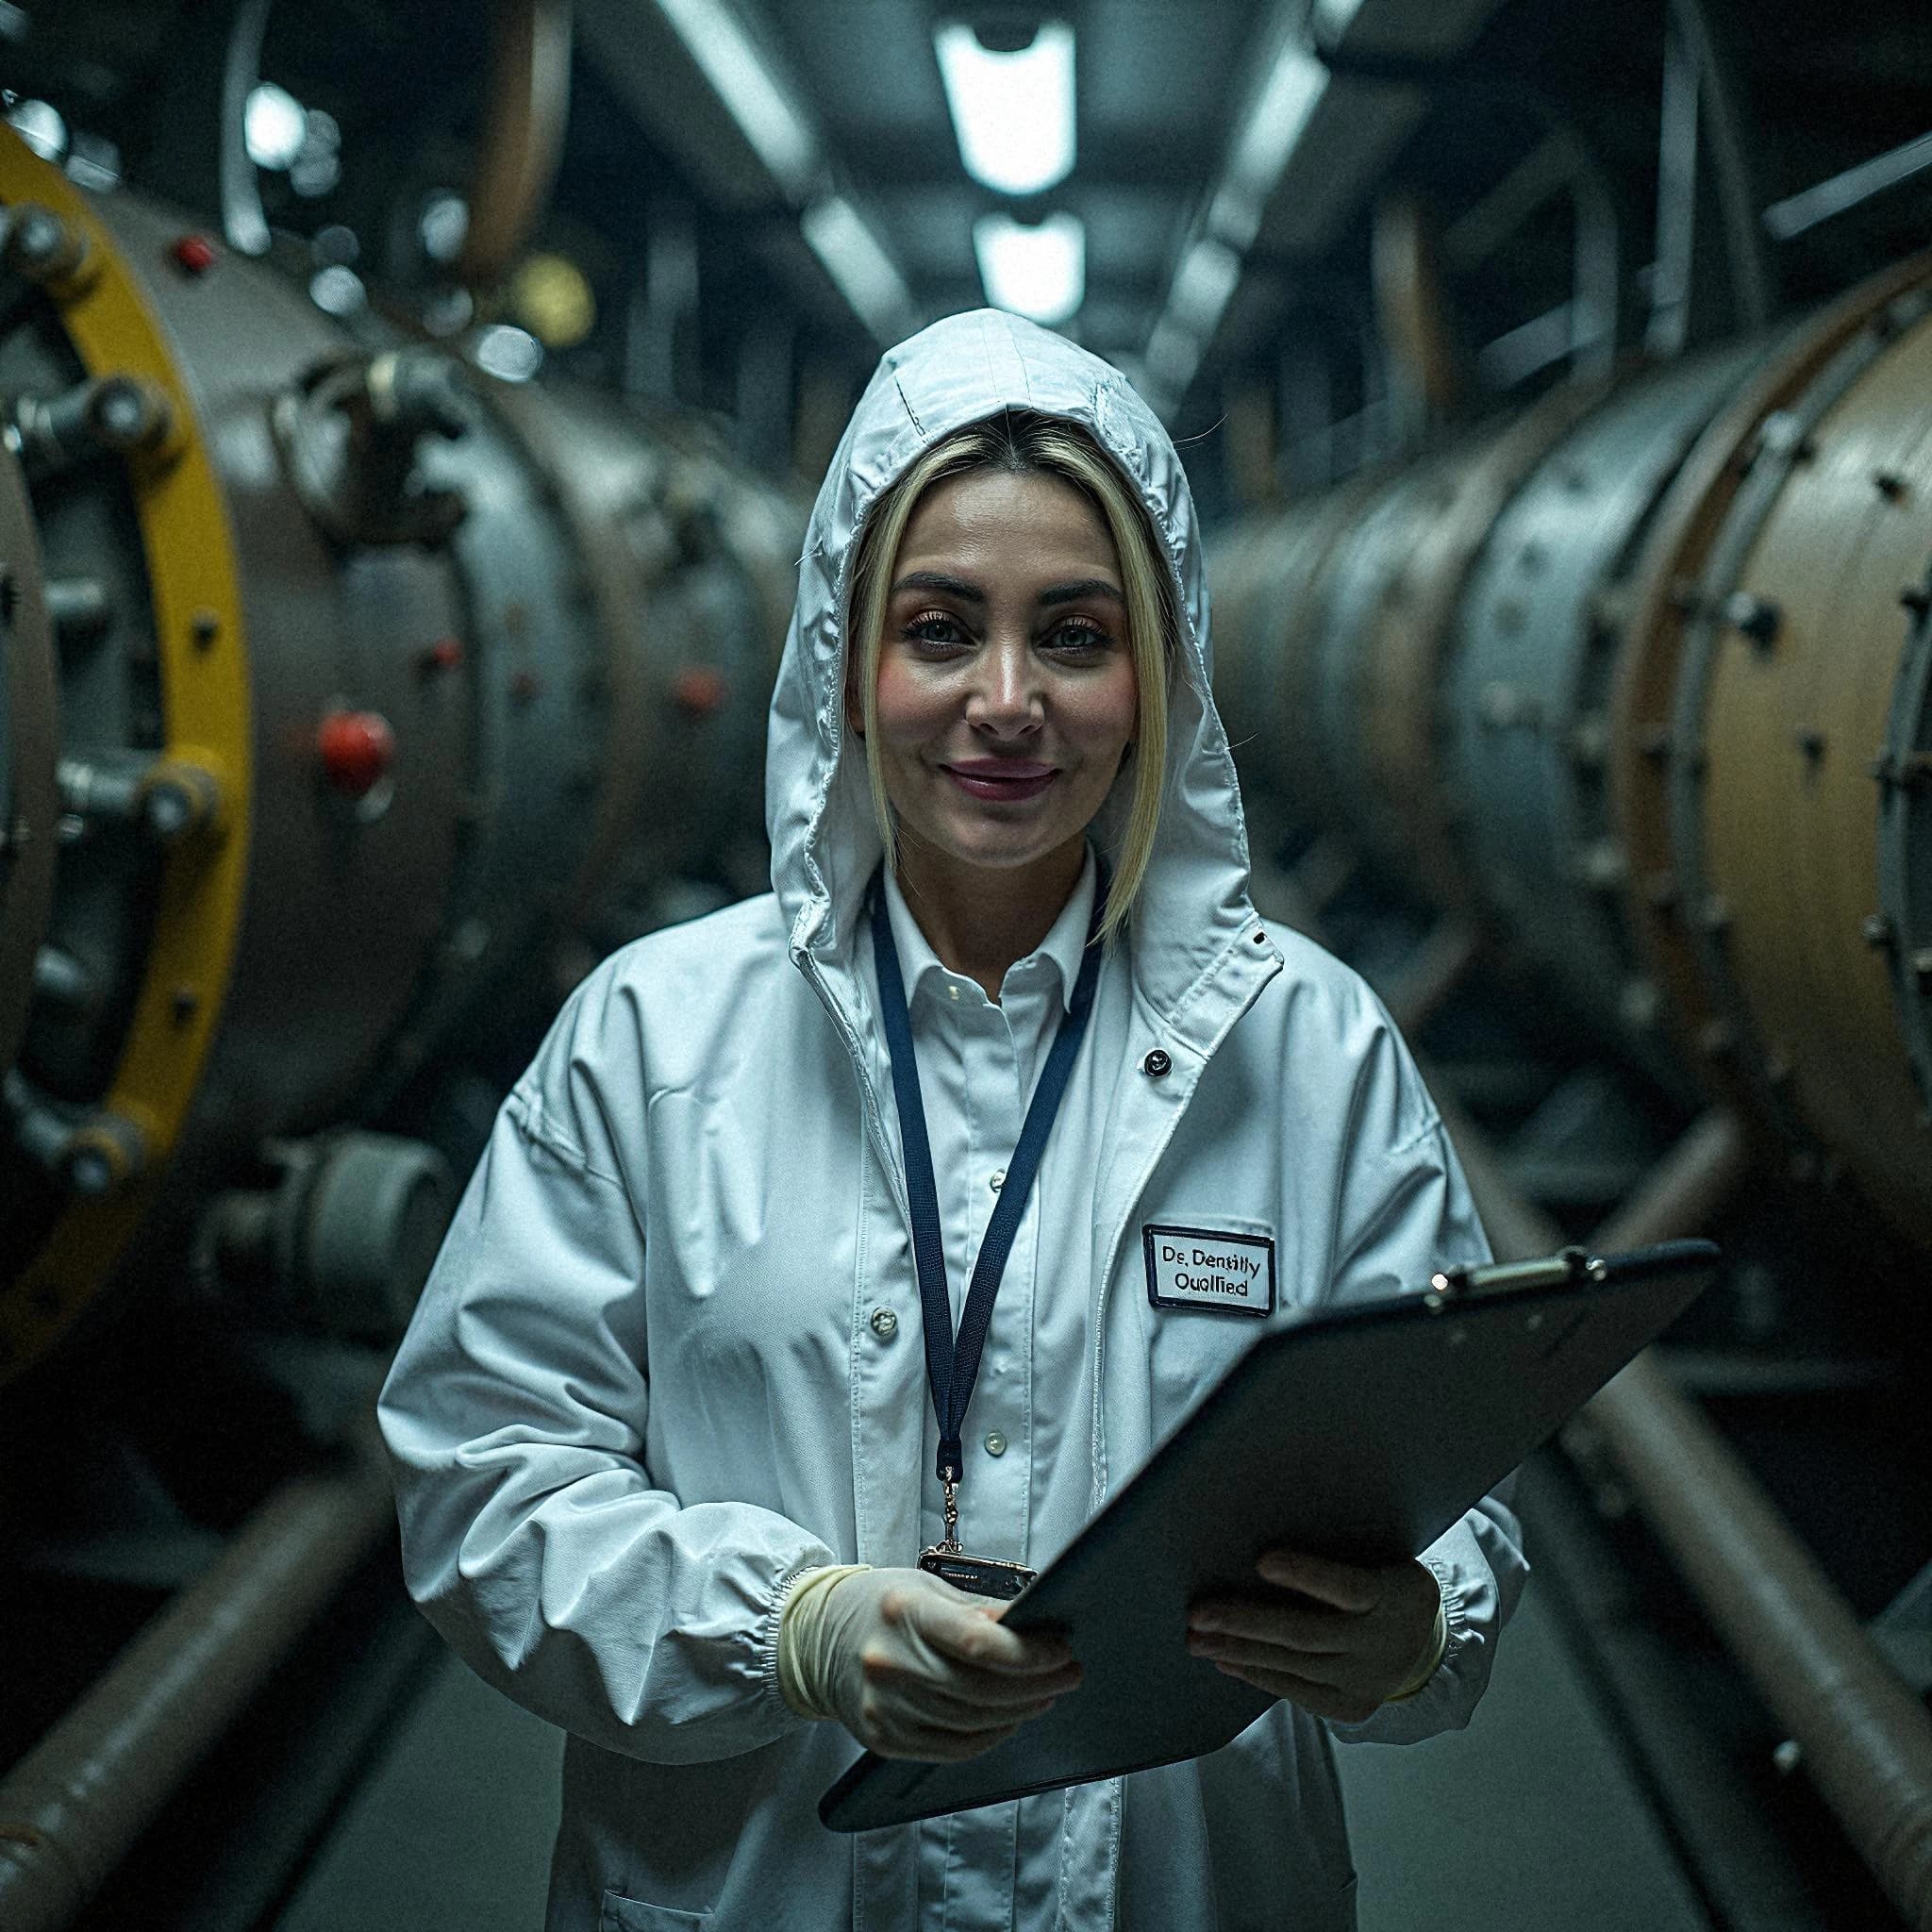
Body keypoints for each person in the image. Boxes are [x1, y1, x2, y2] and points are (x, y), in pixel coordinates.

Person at [378, 308, 1526, 1932]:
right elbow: (483, 1479)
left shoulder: (1313, 1050)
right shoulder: (653, 1039)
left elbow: (1451, 1481)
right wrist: (787, 1626)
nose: (1008, 700)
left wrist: (1414, 1632)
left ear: (1156, 676)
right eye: (940, 629)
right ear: (846, 665)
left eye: (1073, 632)